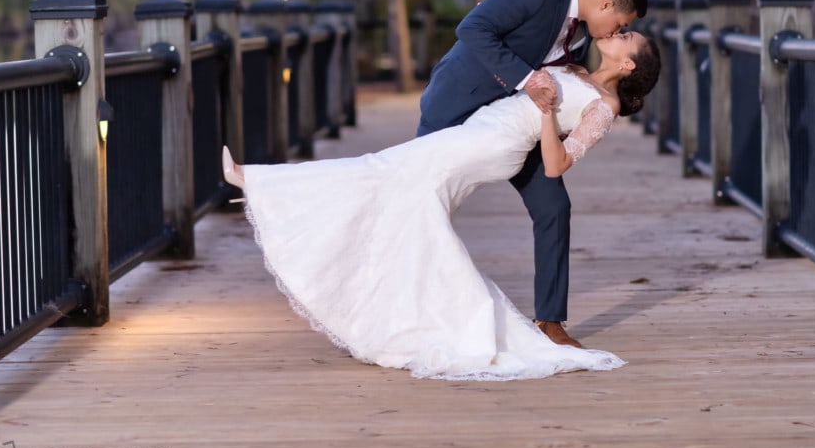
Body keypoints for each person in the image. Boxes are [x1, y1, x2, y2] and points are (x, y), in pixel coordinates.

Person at [223, 30, 661, 381]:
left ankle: (261, 181)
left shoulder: (605, 105)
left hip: (496, 143)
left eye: (628, 37)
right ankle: (398, 313)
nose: (619, 32)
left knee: (382, 170)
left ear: (627, 65)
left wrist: (546, 111)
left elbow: (555, 164)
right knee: (403, 199)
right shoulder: (575, 68)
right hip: (483, 125)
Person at [417, 0, 648, 349]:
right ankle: (403, 310)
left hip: (516, 127)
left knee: (554, 206)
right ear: (606, 4)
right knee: (423, 205)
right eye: (619, 24)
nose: (611, 33)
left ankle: (550, 321)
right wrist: (528, 81)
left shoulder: (584, 29)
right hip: (457, 103)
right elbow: (472, 29)